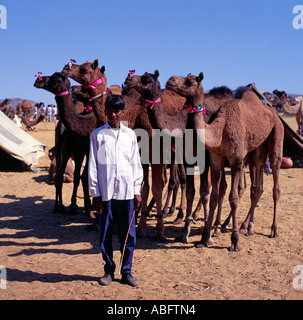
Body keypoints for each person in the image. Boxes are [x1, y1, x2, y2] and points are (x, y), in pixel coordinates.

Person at [88, 94, 143, 287]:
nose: (113, 114)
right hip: (106, 193)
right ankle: (108, 270)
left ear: (122, 112)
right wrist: (95, 193)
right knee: (105, 234)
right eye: (110, 110)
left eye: (117, 111)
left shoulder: (130, 135)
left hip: (127, 192)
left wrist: (137, 190)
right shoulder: (97, 135)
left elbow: (136, 163)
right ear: (105, 112)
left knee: (128, 235)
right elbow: (93, 165)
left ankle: (126, 272)